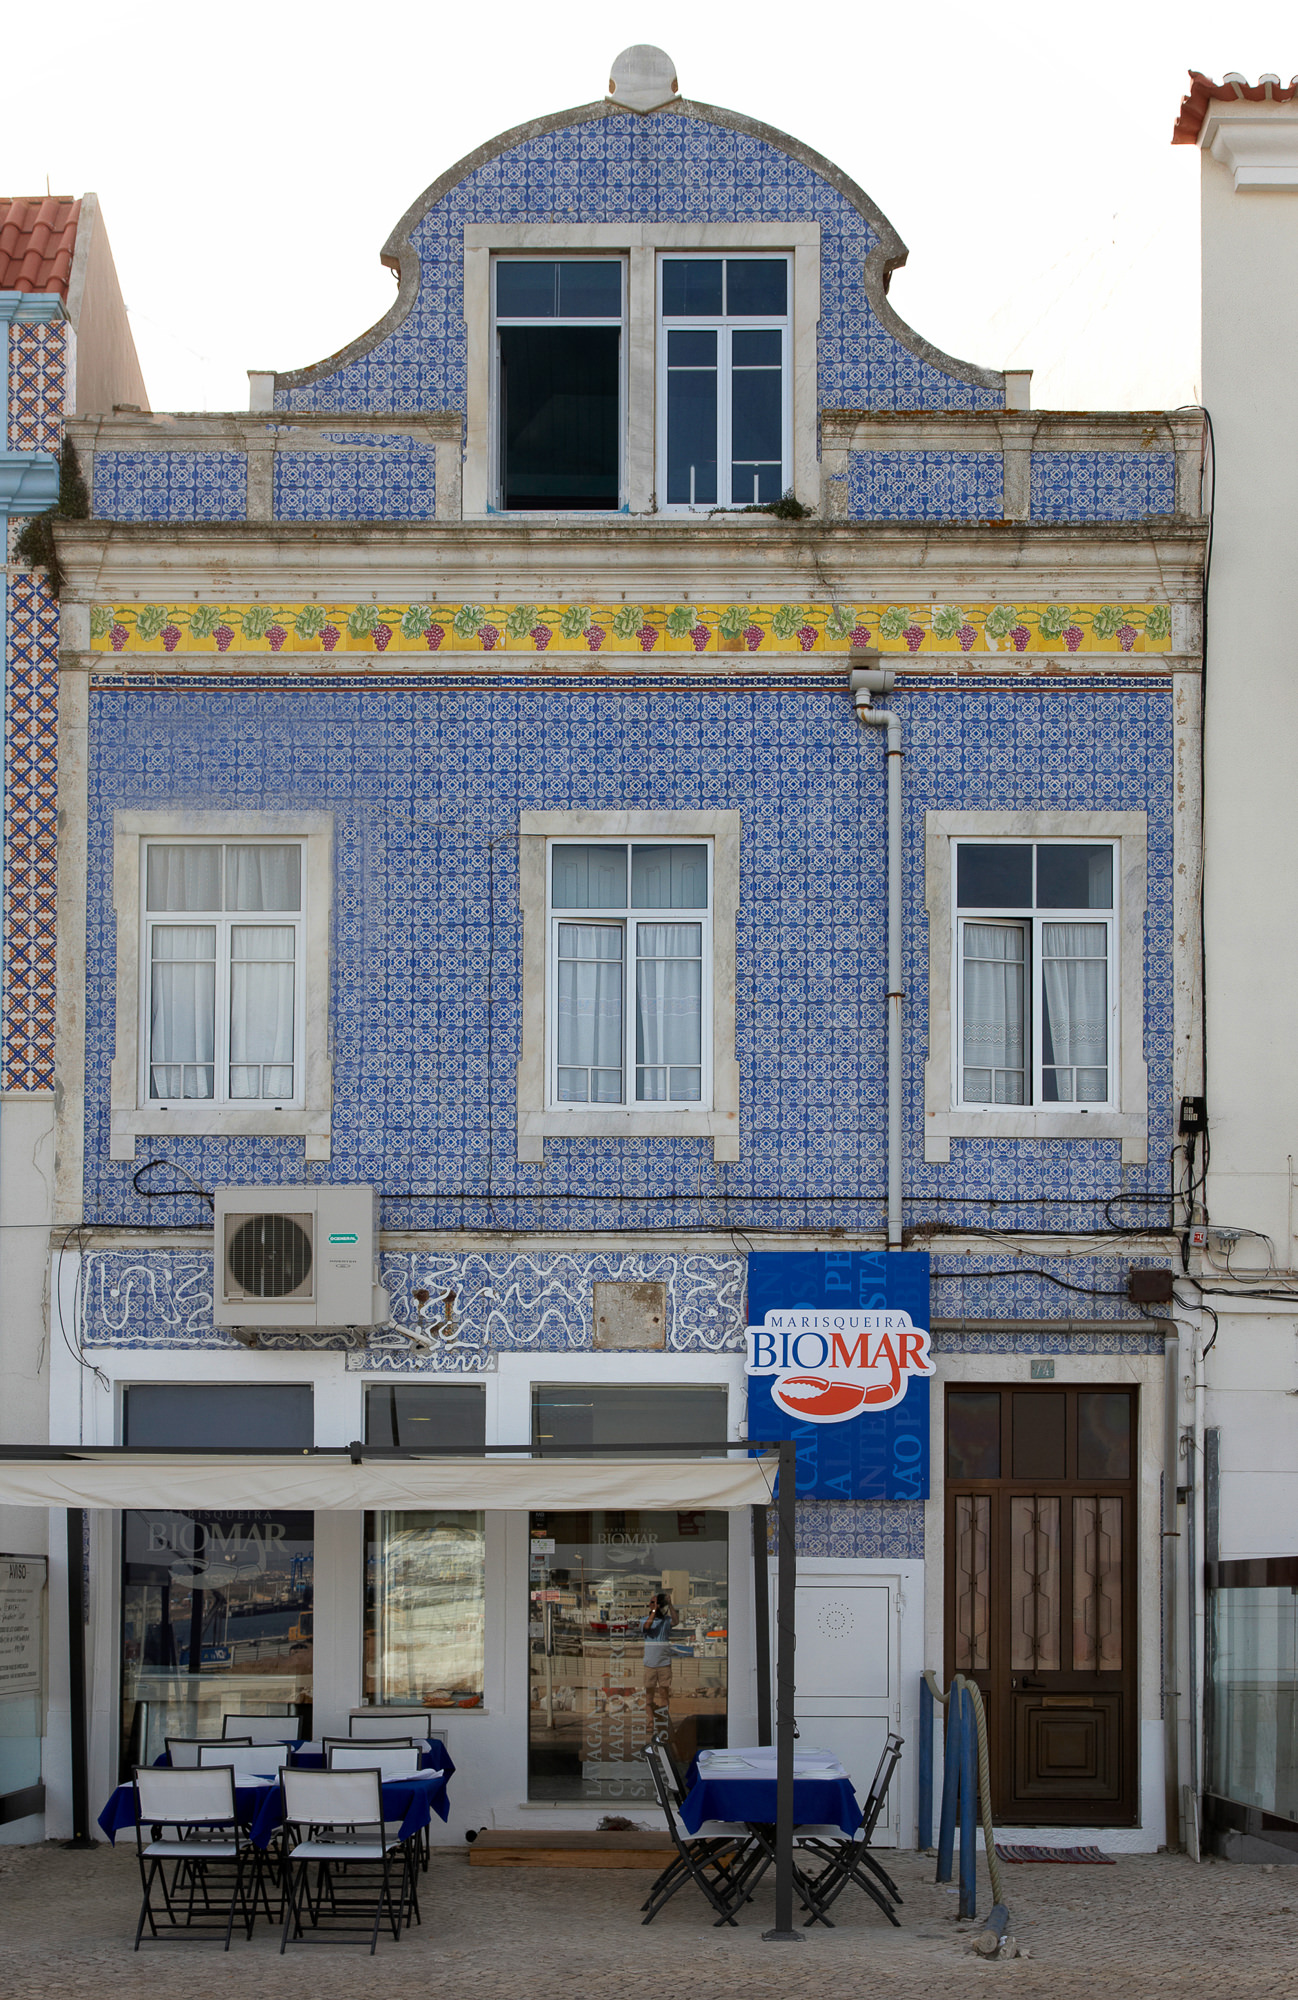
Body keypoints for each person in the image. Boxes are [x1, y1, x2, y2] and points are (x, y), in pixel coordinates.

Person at [641, 1591, 674, 1737]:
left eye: (657, 1603)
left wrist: (670, 1604)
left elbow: (677, 1621)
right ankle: (650, 1721)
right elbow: (647, 1627)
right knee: (649, 1696)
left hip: (664, 1664)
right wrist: (654, 1611)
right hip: (650, 1665)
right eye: (652, 1602)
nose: (655, 1605)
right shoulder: (644, 1620)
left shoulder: (666, 1620)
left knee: (664, 1695)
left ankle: (663, 1722)